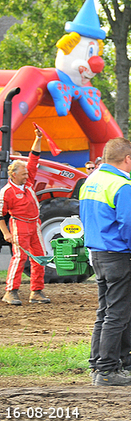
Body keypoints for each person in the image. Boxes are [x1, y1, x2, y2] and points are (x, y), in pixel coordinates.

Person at [80, 138, 131, 387]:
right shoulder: (122, 185)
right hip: (119, 255)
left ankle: (99, 363)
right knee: (117, 314)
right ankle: (106, 372)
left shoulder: (90, 181)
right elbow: (130, 224)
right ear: (127, 158)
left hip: (98, 253)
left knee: (105, 312)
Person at [0, 129, 50, 306]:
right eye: (23, 174)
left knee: (39, 256)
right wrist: (6, 233)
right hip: (19, 225)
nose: (27, 176)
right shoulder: (6, 192)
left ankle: (36, 291)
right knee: (20, 257)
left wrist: (37, 138)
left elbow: (34, 158)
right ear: (13, 175)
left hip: (34, 224)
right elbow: (0, 215)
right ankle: (10, 291)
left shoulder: (27, 183)